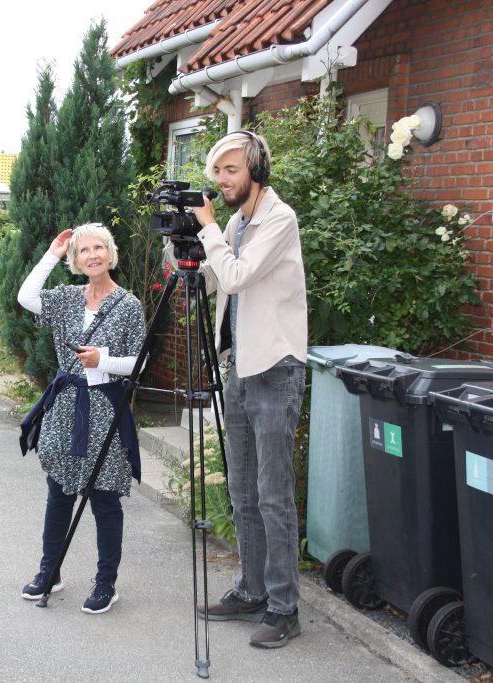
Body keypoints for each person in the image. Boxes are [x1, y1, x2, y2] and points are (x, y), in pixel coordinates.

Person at [175, 130, 307, 648]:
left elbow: (237, 277)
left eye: (230, 171)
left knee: (274, 496)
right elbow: (210, 279)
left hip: (275, 368)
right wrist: (185, 241)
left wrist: (209, 232)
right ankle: (250, 590)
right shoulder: (235, 222)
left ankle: (284, 608)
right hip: (240, 368)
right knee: (242, 490)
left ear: (255, 168)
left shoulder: (279, 219)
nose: (222, 181)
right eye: (218, 174)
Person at [16, 223, 146, 614]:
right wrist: (52, 253)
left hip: (105, 409)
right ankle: (49, 571)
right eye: (83, 250)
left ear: (110, 253)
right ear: (76, 260)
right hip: (66, 407)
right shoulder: (67, 298)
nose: (92, 255)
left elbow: (140, 362)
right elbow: (26, 297)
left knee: (105, 500)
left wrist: (102, 361)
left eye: (98, 248)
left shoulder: (128, 305)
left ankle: (106, 582)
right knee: (60, 495)